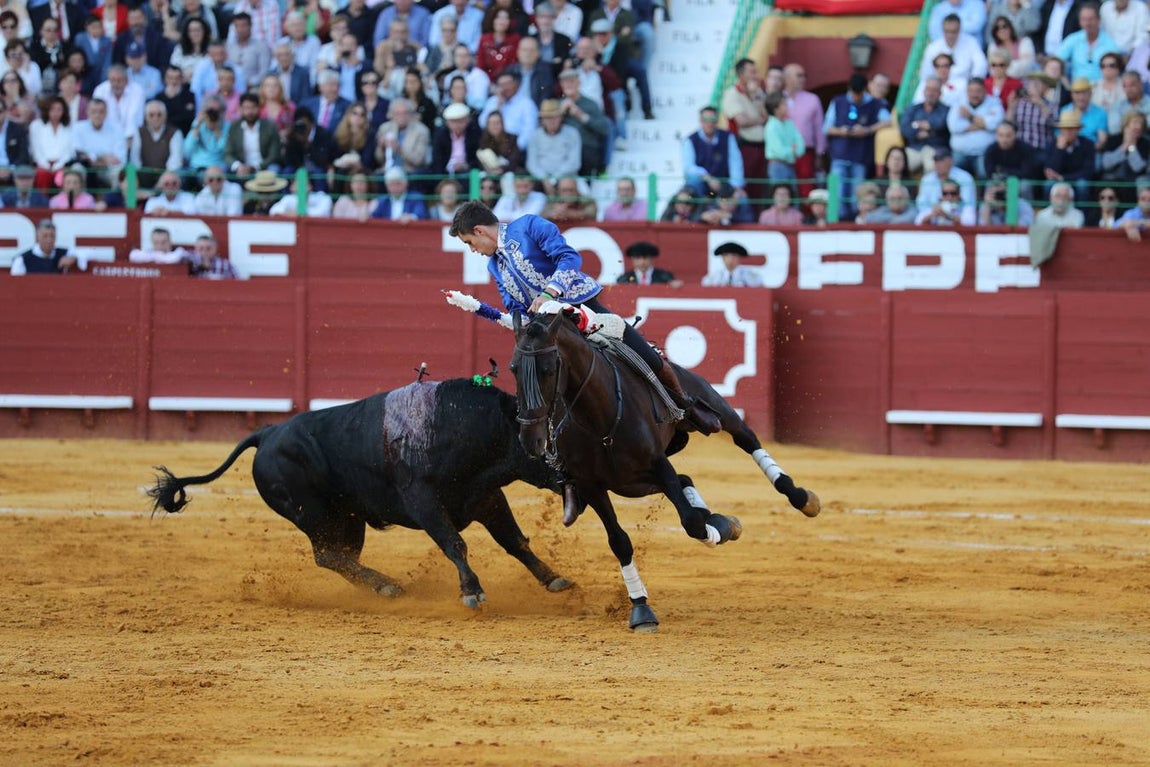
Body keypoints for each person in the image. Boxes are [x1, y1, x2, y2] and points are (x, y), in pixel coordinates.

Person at [449, 199, 721, 433]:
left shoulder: (529, 225)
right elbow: (515, 307)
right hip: (550, 329)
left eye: (469, 242)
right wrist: (506, 319)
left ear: (479, 230)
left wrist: (549, 293)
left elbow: (568, 257)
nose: (472, 249)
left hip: (585, 310)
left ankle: (683, 405)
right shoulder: (494, 265)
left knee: (645, 354)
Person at [824, 73, 887, 216]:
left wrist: (867, 130)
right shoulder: (838, 101)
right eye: (854, 93)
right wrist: (842, 131)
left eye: (859, 94)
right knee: (838, 193)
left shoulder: (874, 103)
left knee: (857, 195)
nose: (856, 97)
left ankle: (856, 221)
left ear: (865, 89)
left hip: (860, 156)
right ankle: (837, 222)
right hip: (840, 155)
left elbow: (887, 121)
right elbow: (827, 127)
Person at [721, 58, 768, 209]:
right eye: (752, 72)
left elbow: (767, 115)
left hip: (762, 146)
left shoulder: (758, 92)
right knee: (744, 184)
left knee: (759, 187)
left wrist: (756, 97)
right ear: (741, 75)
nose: (756, 76)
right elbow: (742, 121)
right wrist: (761, 119)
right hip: (744, 147)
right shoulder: (732, 94)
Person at [947, 78, 1004, 176]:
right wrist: (982, 124)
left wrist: (970, 116)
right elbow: (954, 127)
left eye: (978, 91)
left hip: (984, 153)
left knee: (984, 174)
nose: (974, 94)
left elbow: (994, 124)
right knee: (952, 175)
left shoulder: (994, 102)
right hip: (960, 152)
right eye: (971, 91)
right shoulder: (959, 103)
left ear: (985, 91)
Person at [900, 76, 951, 175]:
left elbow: (942, 125)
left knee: (933, 168)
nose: (931, 93)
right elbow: (904, 128)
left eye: (934, 90)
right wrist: (920, 132)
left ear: (940, 93)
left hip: (936, 150)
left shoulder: (946, 110)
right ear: (924, 91)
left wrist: (920, 125)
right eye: (928, 89)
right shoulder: (913, 109)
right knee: (898, 164)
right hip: (914, 148)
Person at [1056, 3, 1119, 83]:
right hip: (1076, 90)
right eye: (1084, 19)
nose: (1087, 23)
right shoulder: (1073, 39)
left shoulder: (1110, 43)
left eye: (1091, 19)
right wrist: (1065, 83)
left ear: (1099, 20)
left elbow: (1115, 71)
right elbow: (1056, 60)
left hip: (1100, 90)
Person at [226, 92, 282, 178]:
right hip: (241, 168)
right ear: (240, 109)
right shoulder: (234, 127)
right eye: (246, 108)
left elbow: (274, 155)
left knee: (274, 169)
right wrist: (238, 166)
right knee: (222, 170)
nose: (250, 112)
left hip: (263, 167)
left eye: (253, 107)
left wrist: (254, 167)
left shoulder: (270, 127)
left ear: (259, 108)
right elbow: (228, 153)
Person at [1042, 109, 1096, 200]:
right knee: (1049, 184)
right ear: (1060, 130)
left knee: (1082, 185)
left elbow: (1088, 170)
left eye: (1072, 128)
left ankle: (1083, 214)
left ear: (1078, 129)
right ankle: (1048, 212)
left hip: (1075, 180)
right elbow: (1050, 171)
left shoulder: (1088, 145)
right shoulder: (1052, 144)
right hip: (1058, 181)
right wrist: (1059, 150)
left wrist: (1063, 178)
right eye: (1065, 128)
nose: (1068, 131)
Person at [129, 98, 181, 189]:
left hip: (166, 176)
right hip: (144, 175)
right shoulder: (139, 132)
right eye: (151, 115)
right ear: (146, 117)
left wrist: (162, 181)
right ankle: (132, 202)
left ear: (165, 116)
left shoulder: (175, 133)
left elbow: (175, 163)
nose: (155, 118)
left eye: (159, 114)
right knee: (129, 175)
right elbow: (135, 160)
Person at [9, 219, 83, 275]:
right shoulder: (22, 260)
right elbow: (16, 284)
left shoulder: (63, 253)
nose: (49, 240)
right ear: (37, 237)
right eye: (45, 236)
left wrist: (74, 258)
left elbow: (90, 252)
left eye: (52, 236)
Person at [617, 241, 681, 287]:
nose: (642, 262)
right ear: (632, 259)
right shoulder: (624, 279)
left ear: (651, 259)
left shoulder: (664, 276)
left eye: (645, 258)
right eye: (638, 258)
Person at [269, 175, 333, 218]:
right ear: (292, 187)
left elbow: (323, 213)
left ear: (310, 186)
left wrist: (299, 214)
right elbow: (273, 211)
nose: (301, 186)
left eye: (304, 183)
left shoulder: (321, 197)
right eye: (298, 183)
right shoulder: (288, 198)